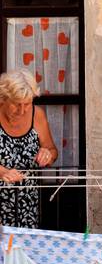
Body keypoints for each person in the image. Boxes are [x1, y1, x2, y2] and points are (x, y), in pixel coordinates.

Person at [0, 69, 57, 229]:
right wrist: (3, 172)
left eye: (27, 104)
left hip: (27, 204)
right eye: (17, 104)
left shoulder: (36, 115)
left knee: (23, 252)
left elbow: (52, 150)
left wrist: (47, 154)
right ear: (4, 98)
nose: (22, 110)